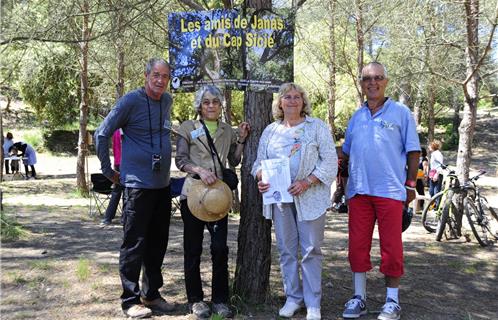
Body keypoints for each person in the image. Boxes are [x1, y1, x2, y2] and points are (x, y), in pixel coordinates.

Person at [94, 58, 175, 319]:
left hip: (162, 185)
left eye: (165, 76)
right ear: (146, 75)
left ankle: (151, 294)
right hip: (137, 186)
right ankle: (130, 300)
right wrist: (108, 171)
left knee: (157, 244)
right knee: (134, 244)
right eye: (155, 75)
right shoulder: (130, 101)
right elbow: (102, 132)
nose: (160, 80)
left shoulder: (167, 101)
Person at [341, 62, 420, 320]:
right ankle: (358, 298)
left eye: (377, 78)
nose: (372, 83)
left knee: (392, 248)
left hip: (390, 191)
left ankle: (392, 301)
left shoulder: (401, 112)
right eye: (367, 79)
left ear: (386, 81)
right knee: (357, 247)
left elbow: (413, 151)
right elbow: (345, 153)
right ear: (362, 84)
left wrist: (410, 185)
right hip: (359, 191)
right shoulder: (357, 116)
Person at [252, 83, 337, 320]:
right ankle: (293, 298)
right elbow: (258, 163)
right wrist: (261, 178)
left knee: (311, 250)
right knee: (286, 250)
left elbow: (330, 162)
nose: (292, 101)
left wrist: (307, 181)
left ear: (303, 101)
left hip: (309, 198)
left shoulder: (316, 127)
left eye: (297, 97)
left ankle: (313, 303)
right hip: (280, 199)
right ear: (280, 103)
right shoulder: (271, 130)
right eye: (287, 97)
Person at [175, 85, 250, 319]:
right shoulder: (188, 128)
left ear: (220, 105)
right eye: (206, 102)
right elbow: (180, 160)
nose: (210, 106)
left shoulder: (227, 130)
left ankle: (220, 300)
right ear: (199, 105)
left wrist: (241, 141)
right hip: (194, 195)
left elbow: (234, 161)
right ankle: (195, 300)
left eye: (215, 102)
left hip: (218, 197)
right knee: (193, 248)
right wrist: (198, 169)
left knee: (219, 249)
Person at [101, 129, 124, 226]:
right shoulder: (124, 131)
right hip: (125, 163)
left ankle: (108, 217)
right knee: (124, 191)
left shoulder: (116, 131)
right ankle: (124, 218)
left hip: (118, 162)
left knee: (117, 191)